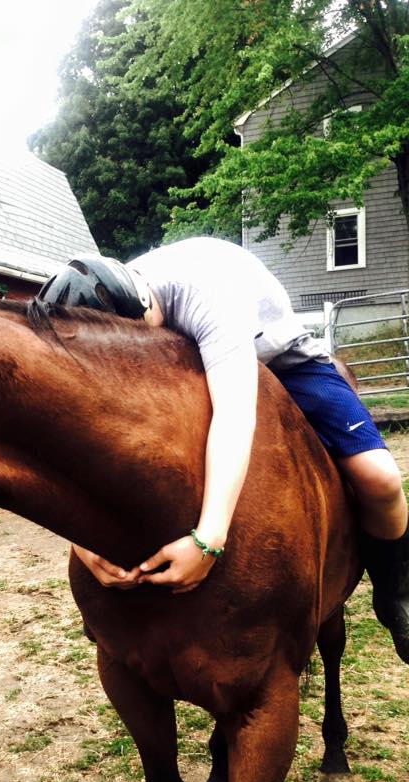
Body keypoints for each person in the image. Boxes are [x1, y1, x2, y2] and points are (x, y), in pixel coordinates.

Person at [38, 238, 409, 655]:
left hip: (280, 360)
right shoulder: (99, 310)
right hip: (183, 362)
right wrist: (80, 538)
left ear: (143, 311)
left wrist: (208, 540)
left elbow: (235, 415)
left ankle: (395, 587)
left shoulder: (209, 295)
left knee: (380, 478)